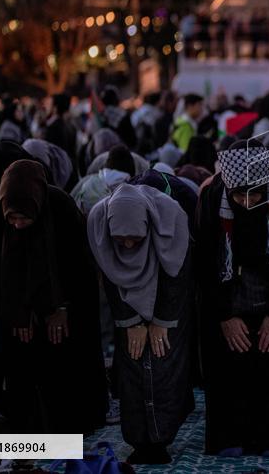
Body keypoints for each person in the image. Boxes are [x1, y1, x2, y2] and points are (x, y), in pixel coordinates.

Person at [194, 143, 269, 456]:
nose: (246, 202)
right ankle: (231, 437)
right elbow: (204, 261)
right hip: (225, 296)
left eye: (254, 195)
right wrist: (226, 315)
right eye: (238, 196)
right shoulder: (213, 195)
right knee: (228, 370)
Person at [0, 160, 107, 432]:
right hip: (21, 309)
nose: (19, 226)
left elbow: (79, 269)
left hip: (66, 306)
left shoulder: (60, 206)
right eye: (13, 218)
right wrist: (19, 311)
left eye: (25, 217)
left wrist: (63, 307)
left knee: (65, 370)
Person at [89, 184, 193, 464]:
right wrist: (131, 321)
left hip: (167, 303)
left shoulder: (171, 218)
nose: (128, 245)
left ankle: (161, 440)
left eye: (135, 237)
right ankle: (138, 440)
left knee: (162, 363)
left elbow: (177, 274)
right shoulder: (99, 222)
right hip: (127, 308)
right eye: (120, 239)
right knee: (133, 366)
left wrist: (161, 321)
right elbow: (111, 275)